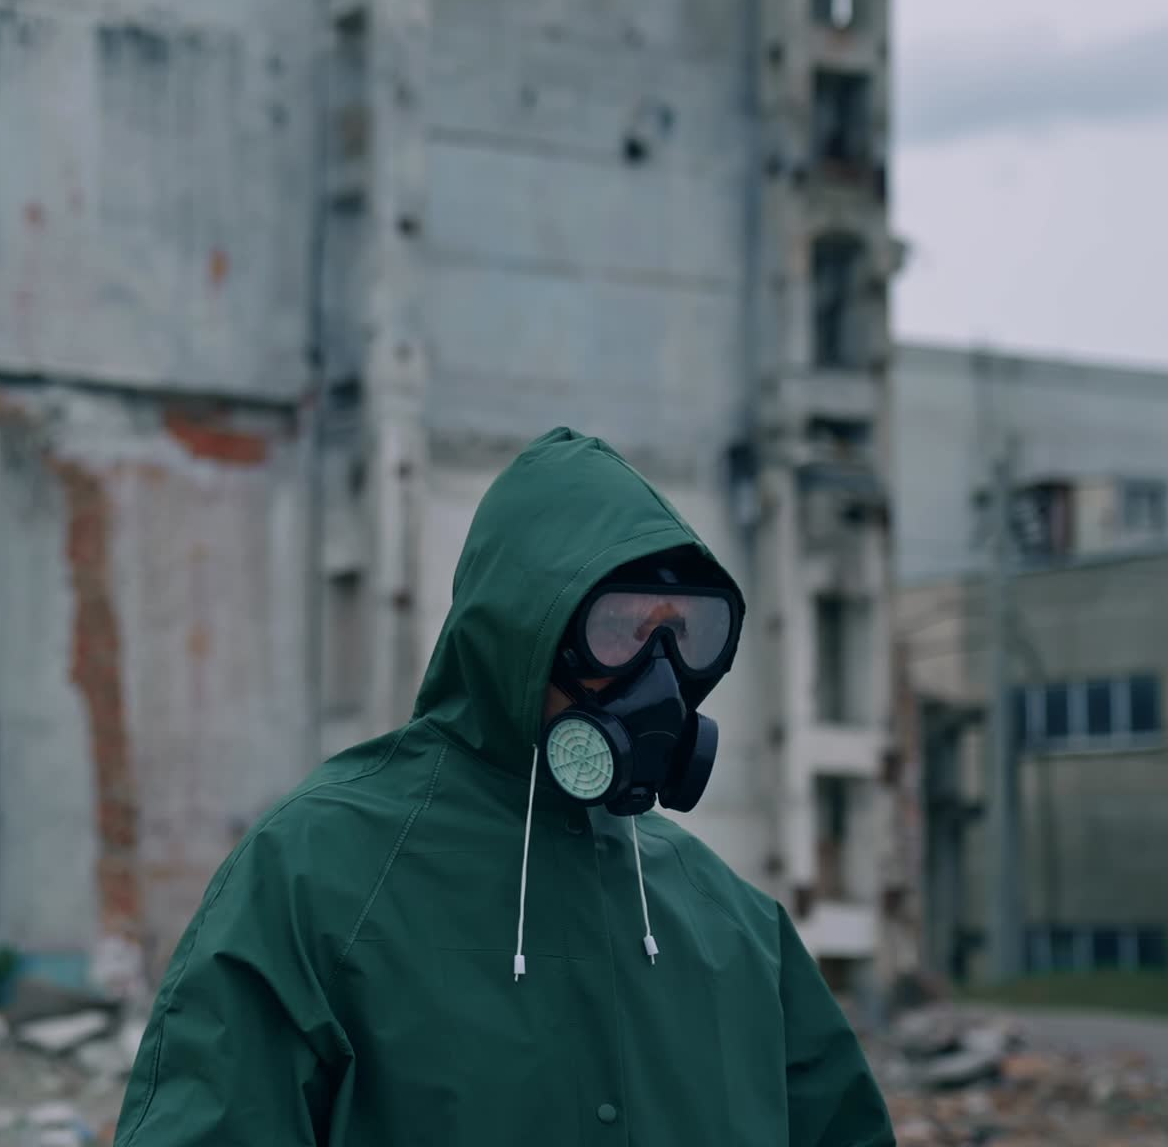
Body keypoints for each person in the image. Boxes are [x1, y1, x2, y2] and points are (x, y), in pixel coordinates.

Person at [114, 427, 894, 1146]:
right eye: (618, 629)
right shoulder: (317, 875)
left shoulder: (736, 926)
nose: (659, 677)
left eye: (687, 633)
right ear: (520, 635)